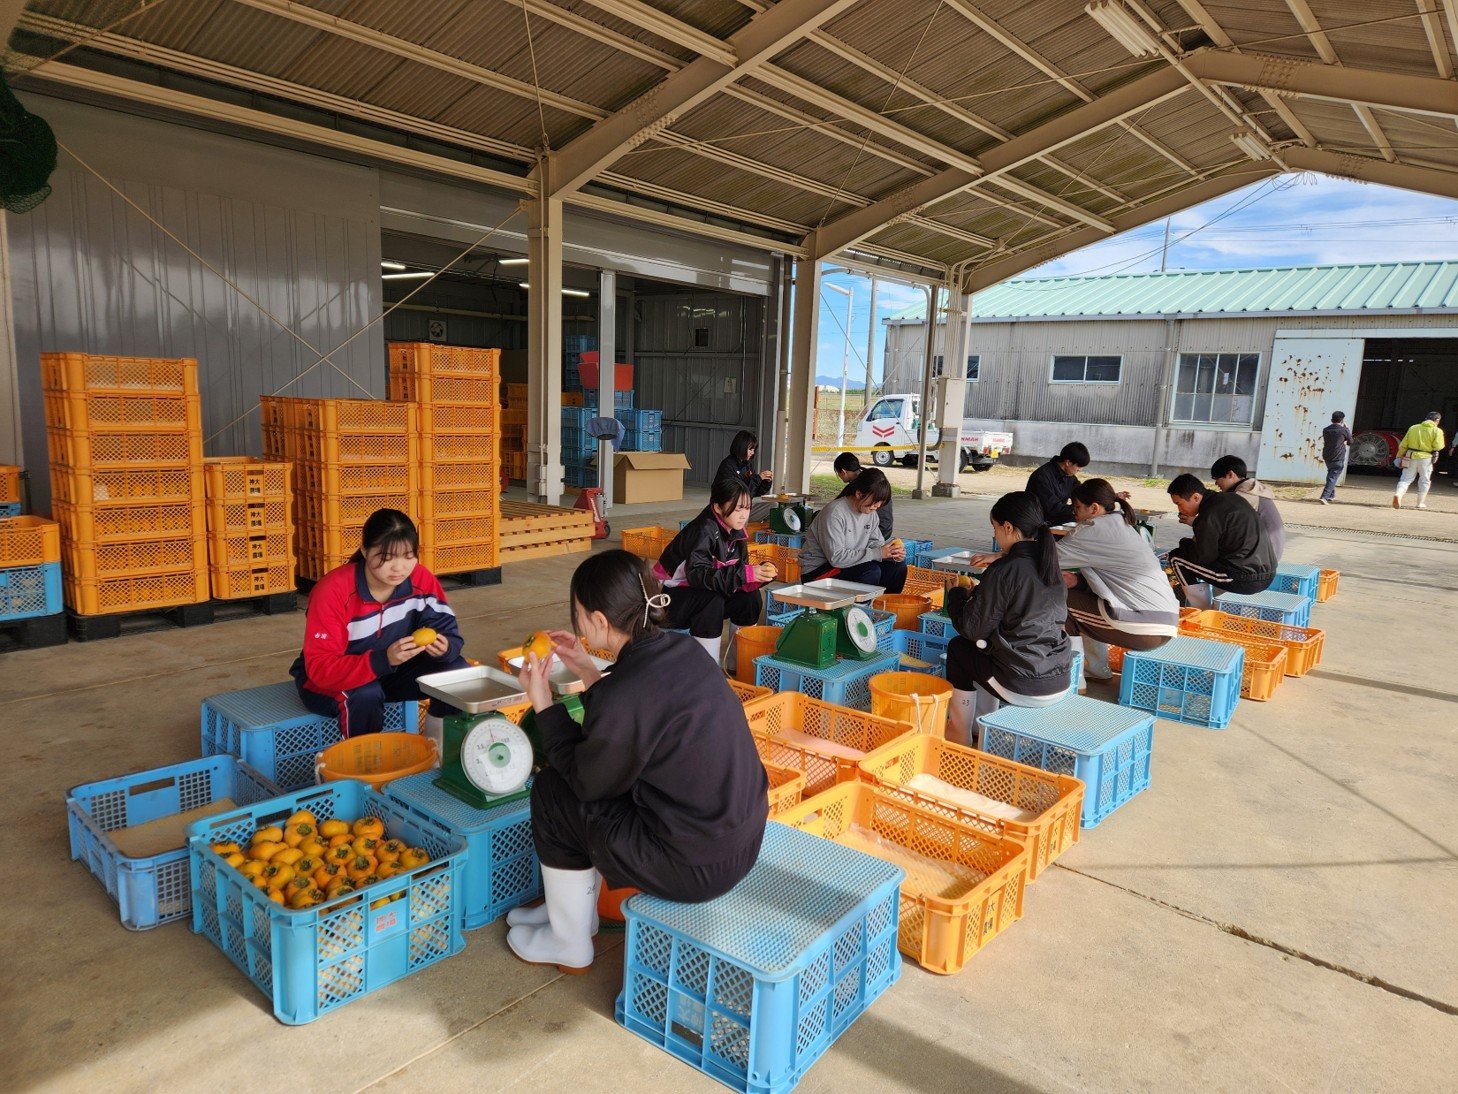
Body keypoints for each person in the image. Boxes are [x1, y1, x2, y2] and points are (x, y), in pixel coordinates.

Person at [506, 550, 769, 973]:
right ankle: (572, 911)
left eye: (578, 614)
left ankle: (569, 941)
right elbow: (632, 716)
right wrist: (586, 667)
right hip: (741, 842)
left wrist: (542, 703)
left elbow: (586, 781)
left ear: (598, 620)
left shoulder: (624, 692)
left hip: (693, 867)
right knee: (603, 782)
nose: (577, 623)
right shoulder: (684, 649)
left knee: (554, 793)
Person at [290, 509, 468, 752]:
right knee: (365, 694)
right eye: (386, 557)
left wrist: (446, 647)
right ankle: (365, 765)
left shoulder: (420, 579)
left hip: (391, 674)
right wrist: (383, 659)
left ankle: (438, 753)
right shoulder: (333, 590)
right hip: (329, 681)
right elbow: (321, 668)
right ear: (364, 551)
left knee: (456, 672)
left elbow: (448, 631)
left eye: (408, 556)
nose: (399, 568)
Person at [942, 492, 1073, 747]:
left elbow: (972, 628)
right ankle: (981, 724)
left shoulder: (1003, 570)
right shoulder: (1049, 564)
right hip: (1058, 676)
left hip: (1025, 683)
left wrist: (956, 595)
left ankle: (958, 736)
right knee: (983, 652)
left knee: (959, 648)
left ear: (1008, 527)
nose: (995, 535)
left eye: (995, 527)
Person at [1054, 479, 1179, 682]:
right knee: (1079, 600)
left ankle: (1074, 678)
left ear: (1094, 508)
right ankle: (1095, 670)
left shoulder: (1093, 529)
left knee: (1058, 601)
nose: (1073, 512)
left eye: (1077, 507)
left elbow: (1044, 558)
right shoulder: (1120, 524)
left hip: (1145, 627)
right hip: (1164, 623)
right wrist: (1078, 581)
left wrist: (1005, 553)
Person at [656, 477, 777, 667]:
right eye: (737, 509)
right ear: (718, 507)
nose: (743, 515)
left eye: (747, 508)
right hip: (671, 603)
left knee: (750, 598)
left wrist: (759, 575)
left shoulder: (737, 531)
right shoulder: (703, 530)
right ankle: (708, 669)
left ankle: (738, 667)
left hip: (703, 594)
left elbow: (737, 574)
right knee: (711, 600)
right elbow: (697, 576)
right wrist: (744, 574)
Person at [1166, 473, 1276, 608]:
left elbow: (1203, 558)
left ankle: (1201, 611)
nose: (1179, 509)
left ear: (1195, 497)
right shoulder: (1232, 498)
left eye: (1179, 504)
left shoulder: (1209, 515)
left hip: (1244, 579)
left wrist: (1185, 543)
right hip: (1268, 573)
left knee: (1176, 558)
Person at [799, 468, 906, 592]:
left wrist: (891, 553)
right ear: (859, 494)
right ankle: (861, 605)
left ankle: (885, 603)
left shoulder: (870, 513)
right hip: (818, 573)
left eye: (881, 502)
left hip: (848, 564)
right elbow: (836, 558)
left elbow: (875, 544)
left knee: (897, 567)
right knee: (870, 571)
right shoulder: (835, 513)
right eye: (875, 501)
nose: (877, 506)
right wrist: (877, 553)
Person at [1210, 455, 1285, 560]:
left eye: (1216, 478)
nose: (1215, 483)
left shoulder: (1245, 495)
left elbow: (1221, 524)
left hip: (1263, 557)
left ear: (1230, 474)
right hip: (1269, 552)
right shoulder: (1250, 489)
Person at [1026, 442, 1090, 526]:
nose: (1080, 470)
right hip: (1040, 521)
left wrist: (1093, 500)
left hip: (1055, 516)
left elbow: (1080, 492)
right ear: (1068, 462)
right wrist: (1080, 509)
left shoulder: (1069, 475)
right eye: (1079, 466)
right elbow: (1053, 508)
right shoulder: (1042, 476)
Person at [1393, 411, 1445, 510]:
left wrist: (1399, 456)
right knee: (1424, 480)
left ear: (1426, 419)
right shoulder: (1437, 431)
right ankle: (1420, 503)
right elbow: (1438, 446)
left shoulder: (1413, 428)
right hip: (1426, 458)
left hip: (1410, 456)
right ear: (1437, 420)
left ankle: (1398, 494)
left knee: (1405, 479)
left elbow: (1403, 445)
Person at [834, 451, 893, 539]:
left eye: (838, 473)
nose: (877, 505)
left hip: (876, 531)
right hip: (887, 529)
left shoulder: (855, 487)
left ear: (843, 472)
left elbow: (835, 509)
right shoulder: (871, 478)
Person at [713, 430, 774, 502]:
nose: (753, 453)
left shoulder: (747, 465)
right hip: (729, 505)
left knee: (773, 504)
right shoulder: (728, 466)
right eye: (750, 449)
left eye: (754, 450)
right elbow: (738, 494)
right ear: (742, 447)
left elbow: (754, 492)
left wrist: (766, 482)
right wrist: (758, 478)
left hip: (744, 504)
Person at [1319, 411, 1351, 505]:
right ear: (1342, 420)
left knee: (1331, 474)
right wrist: (1347, 430)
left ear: (1332, 419)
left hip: (1327, 455)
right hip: (1338, 456)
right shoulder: (1343, 430)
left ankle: (1331, 495)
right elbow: (1350, 442)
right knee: (1332, 476)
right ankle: (1324, 497)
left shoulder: (1326, 430)